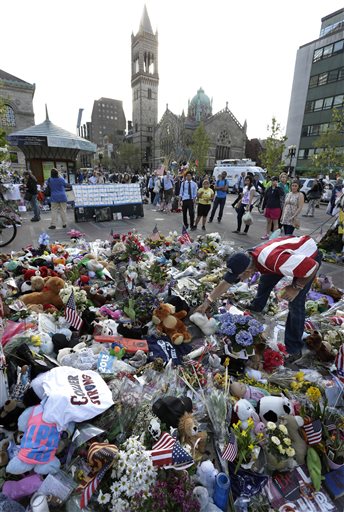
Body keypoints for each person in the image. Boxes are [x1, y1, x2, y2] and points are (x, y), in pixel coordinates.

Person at [197, 235, 322, 365]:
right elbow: (227, 282)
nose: (238, 280)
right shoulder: (249, 257)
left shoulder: (273, 261)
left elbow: (313, 266)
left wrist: (296, 287)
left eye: (238, 277)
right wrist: (208, 301)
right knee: (265, 281)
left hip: (309, 257)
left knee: (296, 303)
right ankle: (256, 308)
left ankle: (294, 348)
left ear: (248, 270)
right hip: (286, 256)